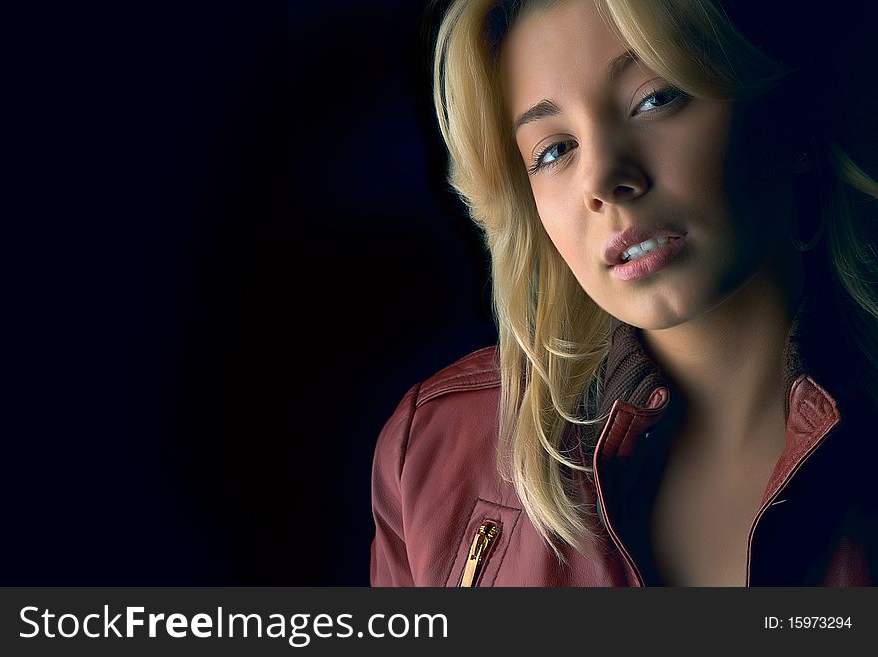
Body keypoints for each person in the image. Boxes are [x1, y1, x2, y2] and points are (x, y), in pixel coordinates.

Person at [370, 0, 878, 586]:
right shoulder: (431, 453)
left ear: (785, 111)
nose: (603, 178)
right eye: (554, 150)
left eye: (656, 98)